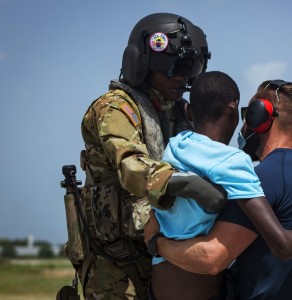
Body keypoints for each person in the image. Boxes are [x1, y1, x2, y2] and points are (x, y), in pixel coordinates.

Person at [145, 75, 292, 299]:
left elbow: (213, 258)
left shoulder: (179, 145)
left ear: (259, 117)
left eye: (249, 113)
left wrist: (157, 244)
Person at [67, 13, 228, 299]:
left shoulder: (177, 112)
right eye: (174, 67)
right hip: (114, 264)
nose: (182, 77)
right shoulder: (114, 108)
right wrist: (185, 184)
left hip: (160, 252)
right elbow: (131, 166)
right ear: (142, 64)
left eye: (190, 68)